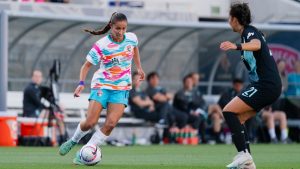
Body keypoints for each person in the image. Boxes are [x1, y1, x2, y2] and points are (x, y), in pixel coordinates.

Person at [58, 12, 145, 164]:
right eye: (118, 28)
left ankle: (86, 151)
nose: (121, 32)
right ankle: (73, 140)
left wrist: (139, 68)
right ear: (111, 26)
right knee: (90, 122)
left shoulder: (132, 38)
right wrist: (80, 84)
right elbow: (86, 66)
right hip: (102, 85)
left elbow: (135, 48)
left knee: (111, 123)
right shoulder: (101, 45)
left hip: (121, 87)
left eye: (124, 28)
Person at [219, 3, 282, 169]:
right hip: (266, 85)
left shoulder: (249, 31)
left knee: (228, 110)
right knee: (237, 118)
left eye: (229, 18)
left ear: (235, 19)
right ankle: (249, 165)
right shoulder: (247, 33)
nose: (228, 21)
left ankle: (244, 154)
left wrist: (236, 47)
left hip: (266, 85)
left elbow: (257, 44)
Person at [23, 70, 66, 145]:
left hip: (39, 112)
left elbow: (49, 99)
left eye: (39, 77)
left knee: (56, 114)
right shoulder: (29, 89)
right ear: (32, 78)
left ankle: (62, 139)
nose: (37, 78)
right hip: (31, 114)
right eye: (36, 76)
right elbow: (39, 103)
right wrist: (53, 108)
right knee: (52, 112)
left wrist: (58, 105)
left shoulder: (39, 88)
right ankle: (59, 140)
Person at [190, 72, 223, 144]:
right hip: (196, 112)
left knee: (216, 116)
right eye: (195, 79)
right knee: (215, 106)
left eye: (197, 79)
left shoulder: (197, 91)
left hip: (202, 111)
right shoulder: (190, 91)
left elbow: (202, 102)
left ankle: (217, 138)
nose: (197, 81)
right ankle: (228, 120)